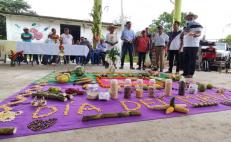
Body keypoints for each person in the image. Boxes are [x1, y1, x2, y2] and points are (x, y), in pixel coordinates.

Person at [182, 12, 203, 78]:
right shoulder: (185, 25)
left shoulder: (197, 24)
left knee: (192, 60)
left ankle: (190, 74)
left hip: (193, 45)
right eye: (188, 16)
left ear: (194, 17)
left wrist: (194, 34)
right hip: (186, 45)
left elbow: (199, 33)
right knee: (185, 60)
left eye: (191, 16)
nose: (190, 17)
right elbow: (184, 34)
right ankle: (185, 73)